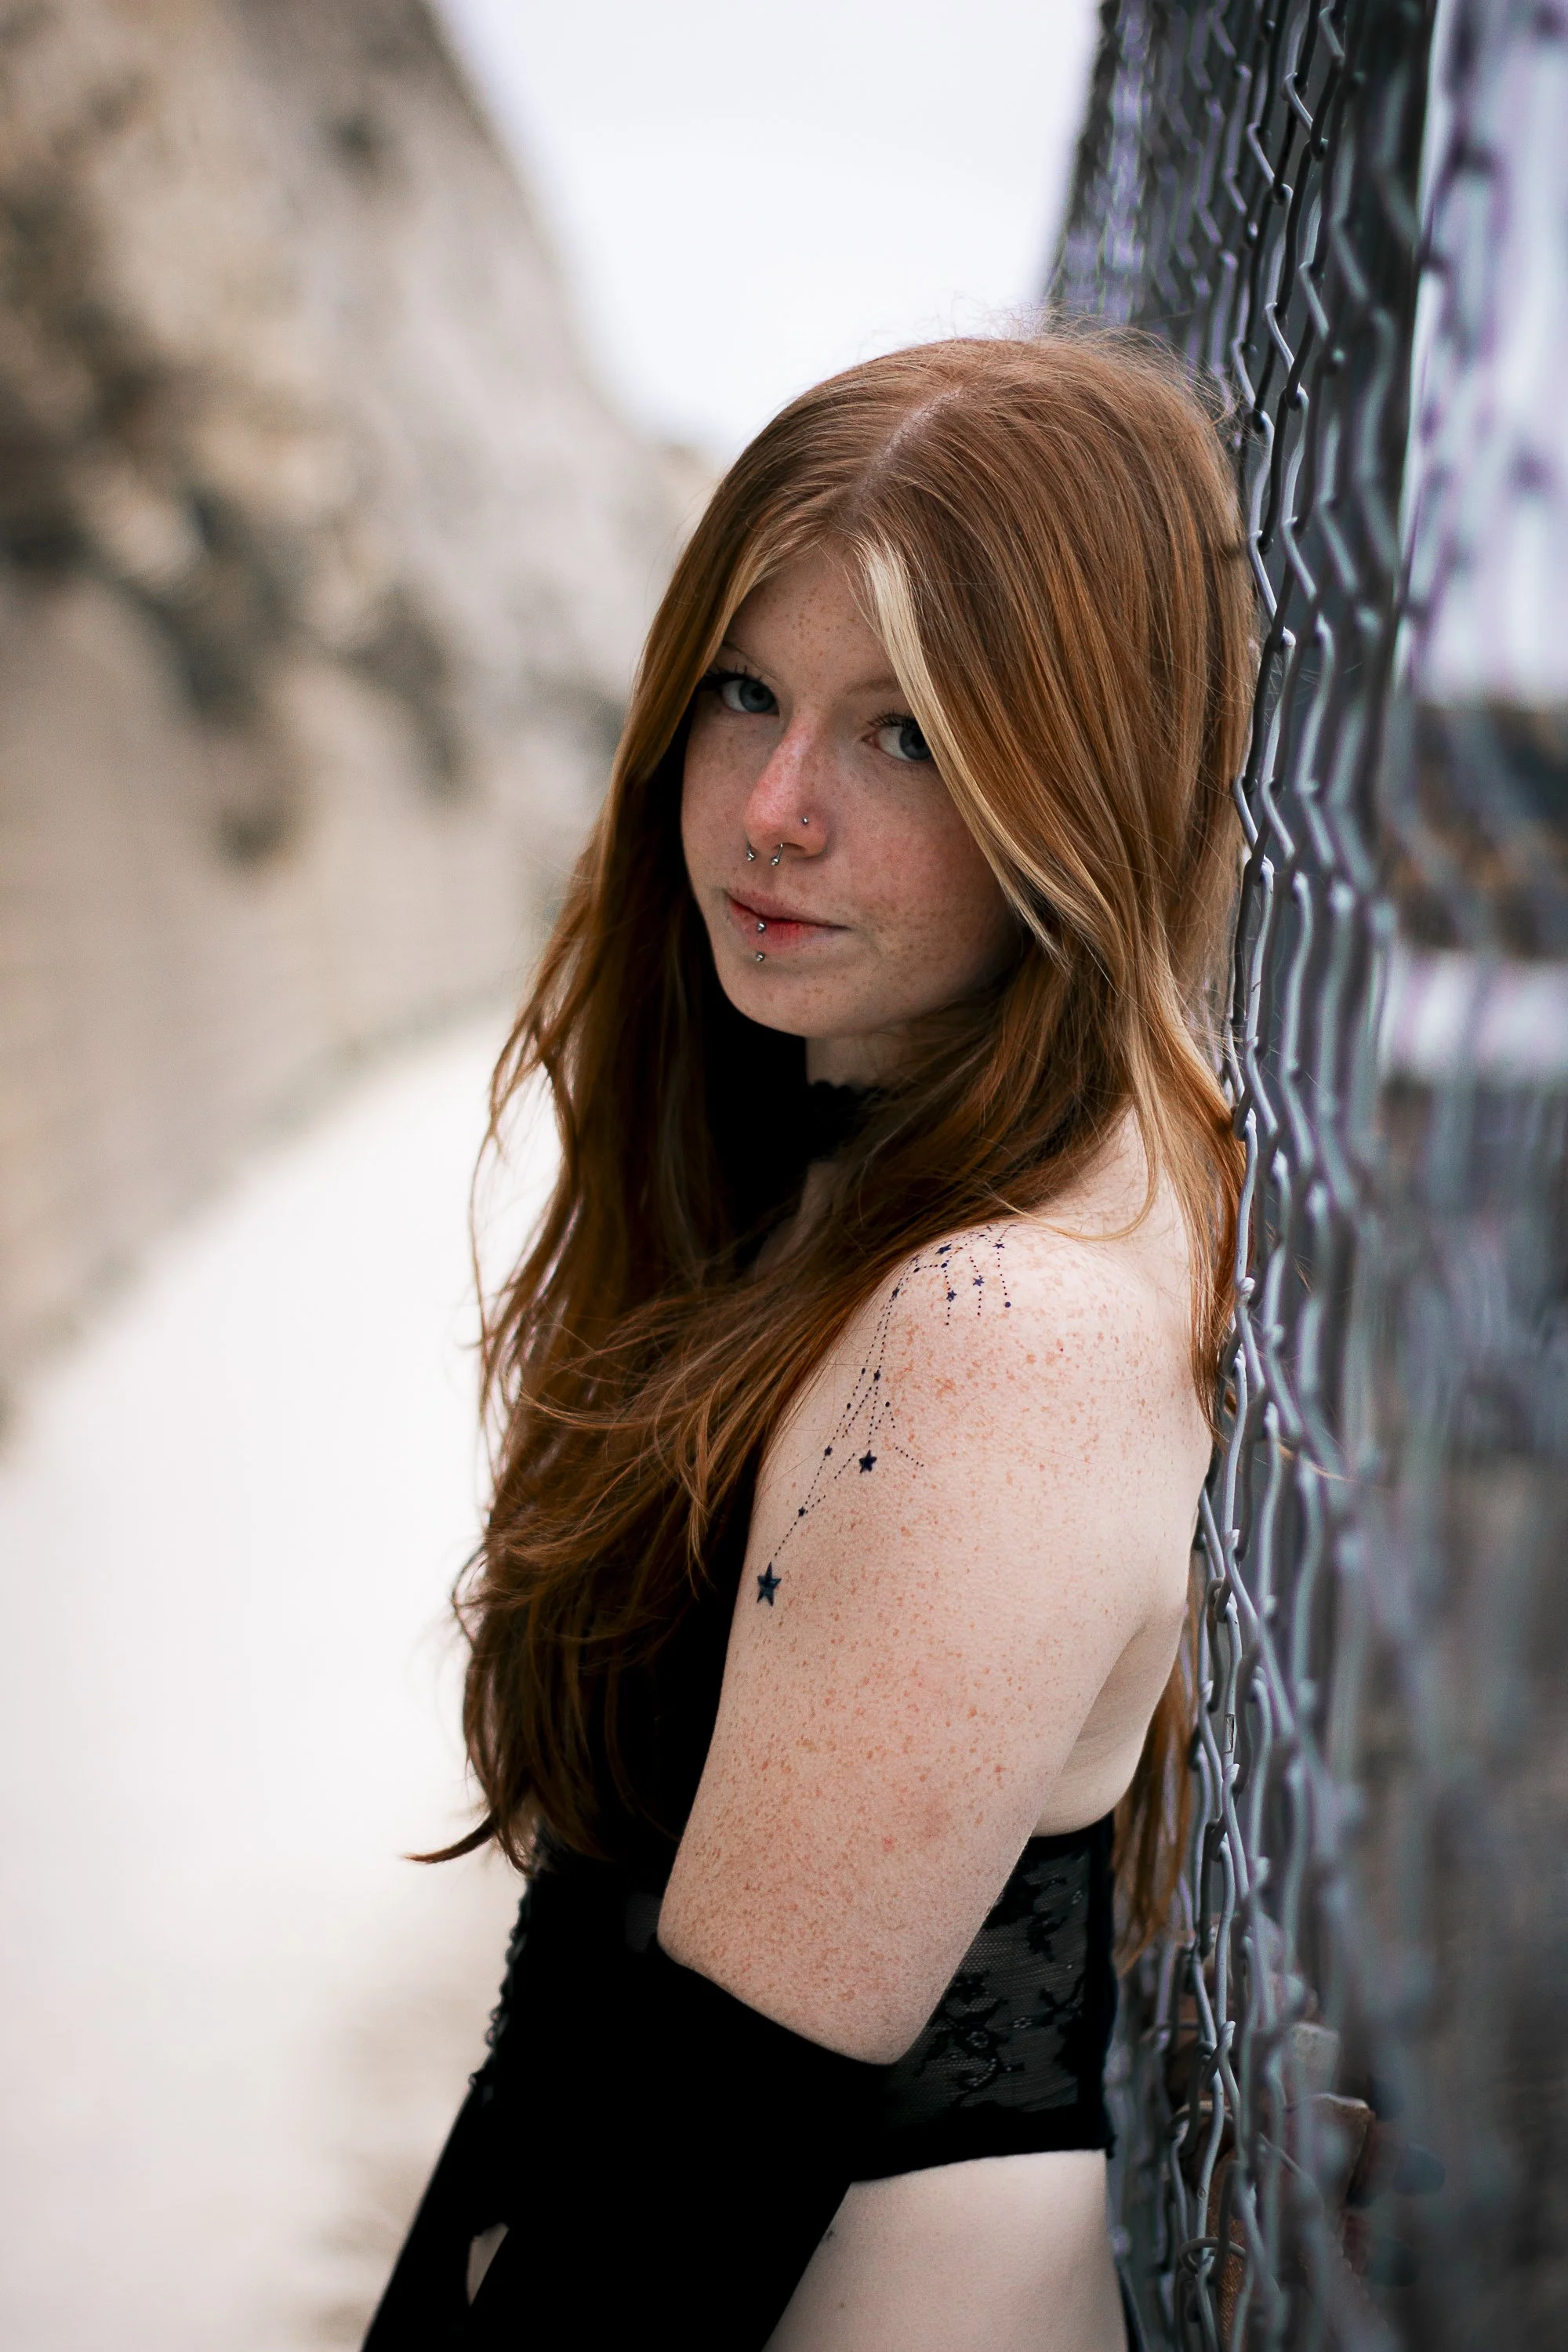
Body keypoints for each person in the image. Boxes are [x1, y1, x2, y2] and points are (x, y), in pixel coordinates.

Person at [364, 331, 1253, 2352]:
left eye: (910, 737)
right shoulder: (875, 1167)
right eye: (746, 696)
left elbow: (683, 2189)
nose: (774, 811)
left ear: (1085, 777)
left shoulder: (995, 1328)